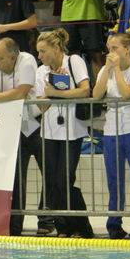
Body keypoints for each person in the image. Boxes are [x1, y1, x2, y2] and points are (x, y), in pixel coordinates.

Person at [0, 38, 42, 236]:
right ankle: (15, 228)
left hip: (37, 125)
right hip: (13, 128)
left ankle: (47, 221)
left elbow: (21, 93)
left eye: (0, 58)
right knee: (16, 180)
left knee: (50, 175)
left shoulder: (26, 61)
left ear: (13, 58)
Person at [34, 29, 94, 238]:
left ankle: (81, 227)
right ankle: (62, 226)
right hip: (49, 132)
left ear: (56, 48)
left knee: (64, 180)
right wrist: (52, 95)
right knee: (51, 182)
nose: (39, 56)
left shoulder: (73, 61)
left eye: (43, 51)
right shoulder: (41, 71)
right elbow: (41, 106)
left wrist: (56, 93)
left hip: (72, 131)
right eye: (38, 52)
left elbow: (85, 90)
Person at [92, 32, 130, 240]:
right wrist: (107, 69)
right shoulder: (105, 69)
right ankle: (114, 223)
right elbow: (96, 95)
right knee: (114, 180)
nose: (110, 52)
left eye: (115, 48)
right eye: (109, 48)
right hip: (111, 129)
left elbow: (127, 93)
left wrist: (116, 68)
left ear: (127, 49)